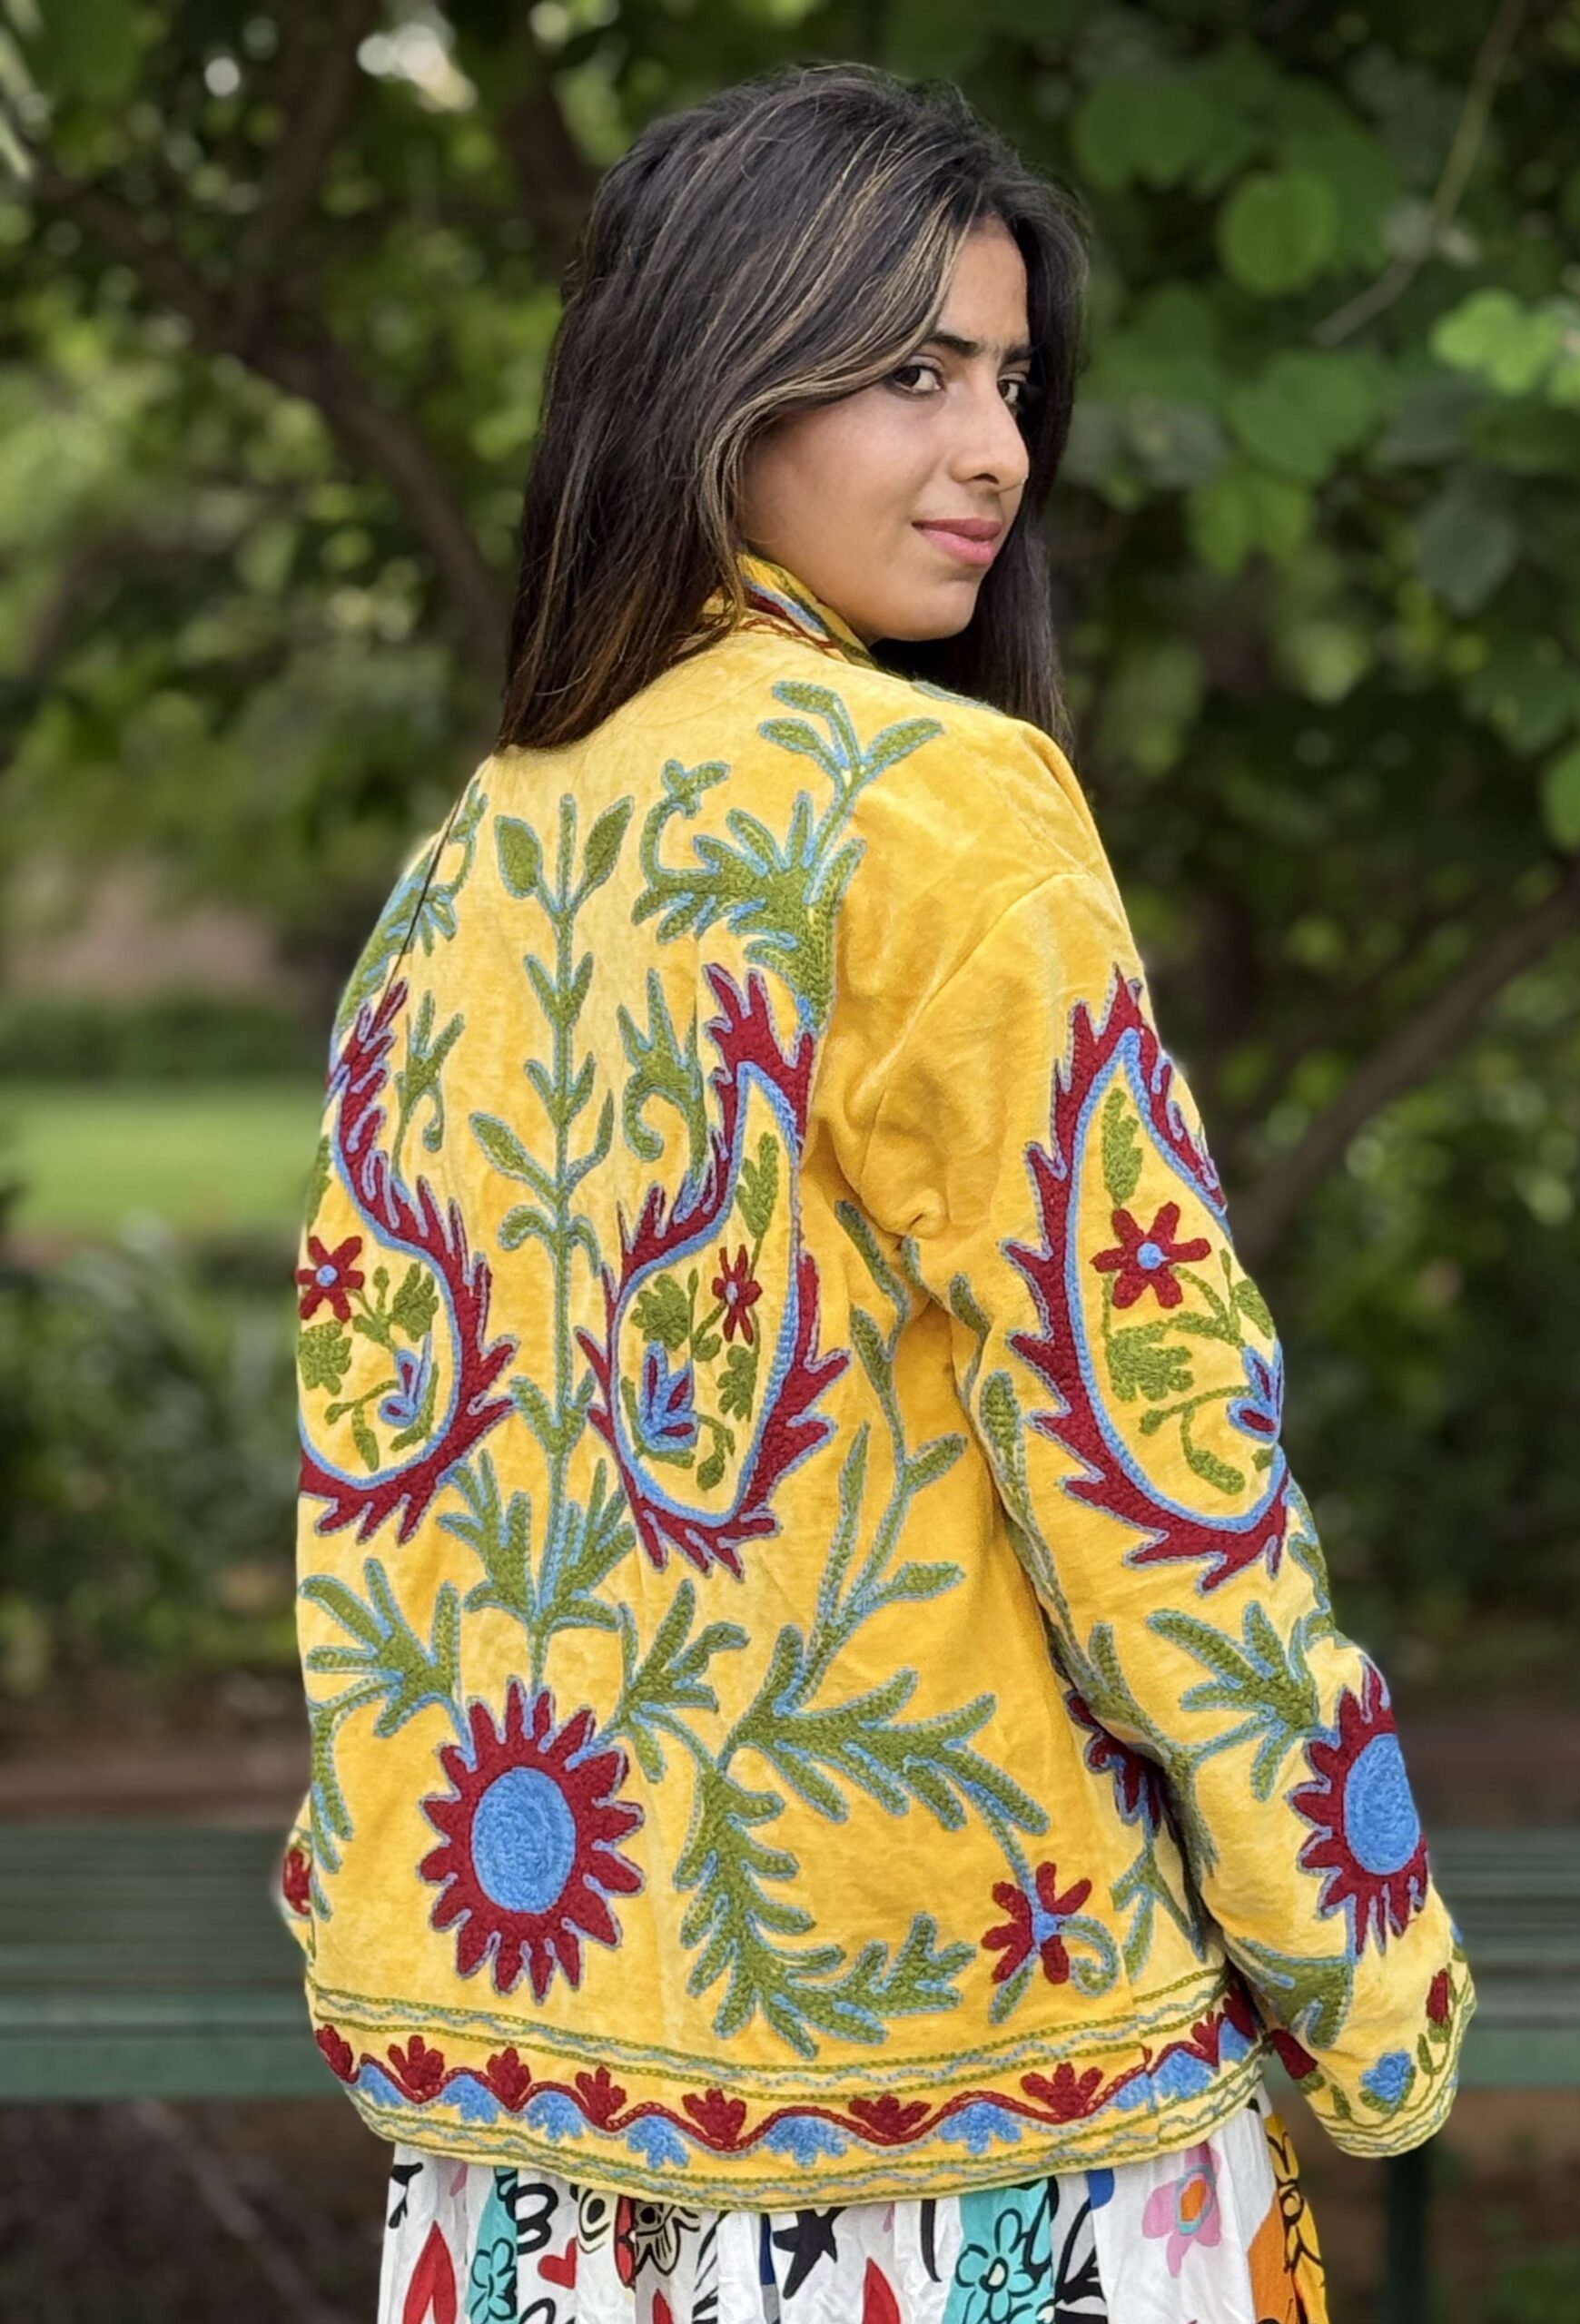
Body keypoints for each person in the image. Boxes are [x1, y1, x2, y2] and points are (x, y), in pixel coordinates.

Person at [278, 58, 1473, 2324]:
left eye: (1010, 378)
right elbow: (1149, 1443)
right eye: (914, 370)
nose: (1000, 452)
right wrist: (1367, 1953)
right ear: (721, 375)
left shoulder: (476, 853)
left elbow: (376, 1467)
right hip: (971, 2117)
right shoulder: (938, 807)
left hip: (534, 2130)